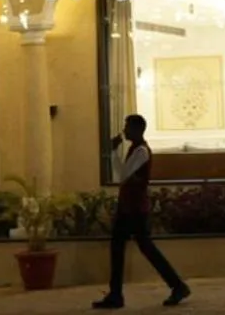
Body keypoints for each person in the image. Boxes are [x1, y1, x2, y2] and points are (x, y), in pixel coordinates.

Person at [92, 114, 189, 309]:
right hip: (129, 208)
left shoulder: (141, 152)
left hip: (134, 210)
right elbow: (125, 175)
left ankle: (176, 286)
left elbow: (123, 174)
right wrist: (115, 152)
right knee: (127, 248)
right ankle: (117, 294)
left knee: (139, 248)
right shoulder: (135, 150)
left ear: (137, 130)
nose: (125, 130)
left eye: (128, 127)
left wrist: (113, 152)